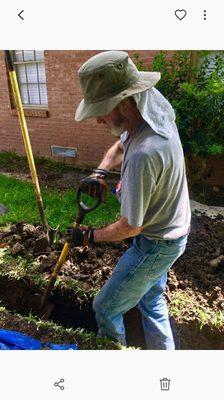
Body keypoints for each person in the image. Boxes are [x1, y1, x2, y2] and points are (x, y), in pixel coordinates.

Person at [67, 50, 191, 349]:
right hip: (173, 231)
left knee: (105, 307)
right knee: (150, 300)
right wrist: (99, 172)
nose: (97, 118)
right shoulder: (151, 112)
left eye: (102, 109)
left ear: (124, 102)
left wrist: (88, 237)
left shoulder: (145, 153)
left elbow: (131, 226)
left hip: (156, 243)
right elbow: (118, 147)